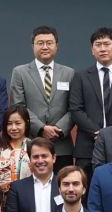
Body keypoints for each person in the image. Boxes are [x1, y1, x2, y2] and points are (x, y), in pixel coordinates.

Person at [67, 26, 112, 165]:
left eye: (107, 44)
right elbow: (76, 109)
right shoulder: (80, 77)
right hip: (87, 145)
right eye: (98, 45)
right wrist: (97, 132)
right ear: (92, 50)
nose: (102, 49)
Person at [8, 25, 75, 165]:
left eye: (49, 43)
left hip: (61, 145)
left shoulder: (69, 73)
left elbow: (74, 107)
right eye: (40, 43)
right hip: (31, 144)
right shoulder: (20, 72)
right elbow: (18, 106)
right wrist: (41, 128)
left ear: (57, 46)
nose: (45, 47)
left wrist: (59, 129)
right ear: (33, 46)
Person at [0, 105, 34, 187]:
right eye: (9, 124)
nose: (13, 128)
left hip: (29, 198)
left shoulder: (34, 149)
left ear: (26, 123)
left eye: (18, 123)